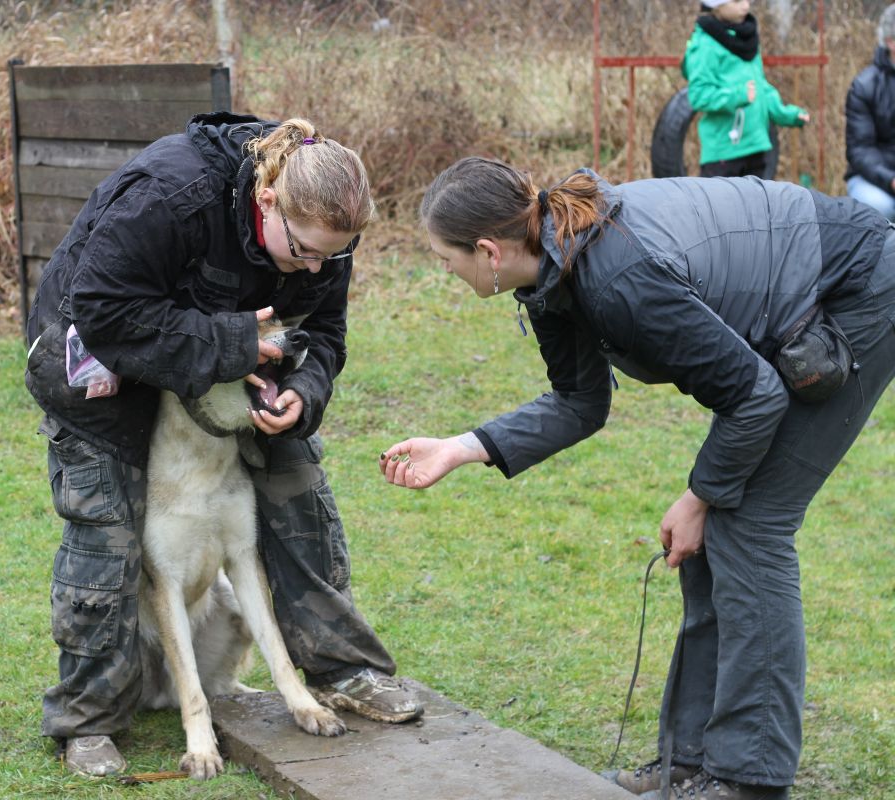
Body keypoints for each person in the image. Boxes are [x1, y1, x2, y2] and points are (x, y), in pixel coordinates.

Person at [381, 157, 895, 800]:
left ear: (487, 250)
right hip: (793, 305)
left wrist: (701, 495)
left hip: (858, 283)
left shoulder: (618, 275)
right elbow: (579, 402)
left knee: (750, 525)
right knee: (720, 528)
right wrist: (462, 447)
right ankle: (690, 758)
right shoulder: (549, 273)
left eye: (444, 258)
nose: (444, 271)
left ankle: (746, 779)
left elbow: (757, 396)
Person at [23, 113, 423, 777]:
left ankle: (345, 672)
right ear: (267, 200)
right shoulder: (171, 194)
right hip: (96, 369)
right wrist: (230, 341)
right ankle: (88, 722)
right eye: (304, 253)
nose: (319, 266)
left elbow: (324, 331)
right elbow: (102, 310)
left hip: (235, 373)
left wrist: (305, 393)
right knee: (107, 534)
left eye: (334, 254)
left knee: (301, 492)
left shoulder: (325, 230)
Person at [683, 0, 810, 177]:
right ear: (717, 5)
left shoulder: (747, 39)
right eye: (737, 1)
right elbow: (699, 95)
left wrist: (785, 114)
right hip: (724, 155)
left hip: (756, 148)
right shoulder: (705, 44)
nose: (746, 6)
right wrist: (738, 96)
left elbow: (760, 87)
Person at [845, 3, 895, 221]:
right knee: (878, 207)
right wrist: (891, 179)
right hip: (873, 179)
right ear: (891, 41)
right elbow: (860, 150)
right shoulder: (864, 86)